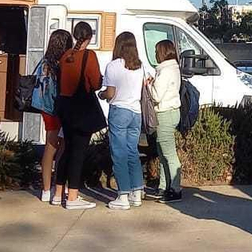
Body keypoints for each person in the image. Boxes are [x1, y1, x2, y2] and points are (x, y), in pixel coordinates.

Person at [55, 22, 102, 210]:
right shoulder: (89, 56)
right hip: (82, 107)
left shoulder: (65, 56)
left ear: (75, 36)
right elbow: (96, 82)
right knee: (78, 152)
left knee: (67, 149)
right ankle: (73, 196)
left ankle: (58, 193)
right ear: (89, 37)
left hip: (65, 107)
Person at [101, 32, 149, 209]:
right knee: (132, 152)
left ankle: (123, 195)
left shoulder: (113, 66)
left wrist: (102, 94)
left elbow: (110, 93)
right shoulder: (139, 66)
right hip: (135, 112)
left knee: (119, 153)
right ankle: (137, 192)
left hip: (119, 111)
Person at [36, 29, 73, 205]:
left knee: (49, 147)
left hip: (46, 109)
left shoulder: (44, 63)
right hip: (61, 108)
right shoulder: (64, 63)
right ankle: (59, 185)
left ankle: (45, 189)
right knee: (63, 148)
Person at [146, 39, 185, 202]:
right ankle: (164, 186)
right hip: (172, 112)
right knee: (163, 153)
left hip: (165, 113)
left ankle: (175, 188)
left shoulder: (165, 71)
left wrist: (148, 84)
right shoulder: (173, 68)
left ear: (162, 52)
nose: (155, 54)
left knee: (168, 153)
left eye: (156, 51)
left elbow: (156, 96)